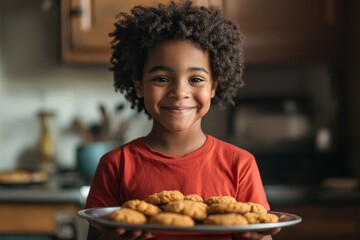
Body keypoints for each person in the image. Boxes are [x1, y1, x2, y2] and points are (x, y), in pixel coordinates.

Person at [85, 1, 279, 239]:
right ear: (139, 85)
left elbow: (262, 231)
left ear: (213, 87)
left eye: (196, 79)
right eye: (162, 79)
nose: (179, 92)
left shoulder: (239, 165)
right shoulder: (116, 165)